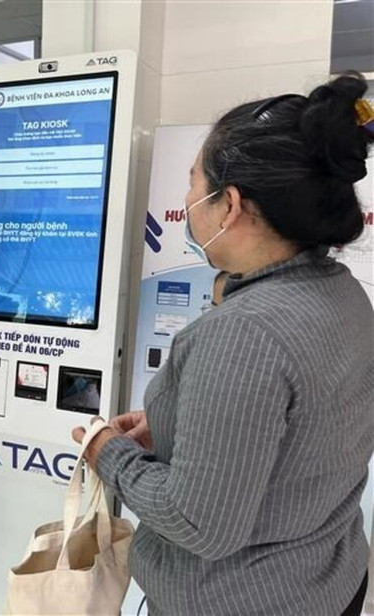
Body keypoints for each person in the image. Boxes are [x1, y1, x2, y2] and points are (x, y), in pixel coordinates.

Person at [74, 74, 374, 615]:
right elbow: (295, 432)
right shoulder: (342, 292)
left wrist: (107, 453)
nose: (187, 201)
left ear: (229, 204)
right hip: (331, 581)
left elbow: (199, 523)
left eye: (193, 183)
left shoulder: (243, 333)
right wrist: (172, 425)